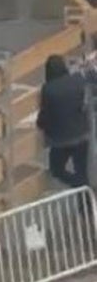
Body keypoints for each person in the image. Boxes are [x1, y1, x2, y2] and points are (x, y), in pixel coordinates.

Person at [37, 54, 89, 188]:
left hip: (60, 139)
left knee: (56, 169)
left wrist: (41, 124)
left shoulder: (48, 89)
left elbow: (45, 115)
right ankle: (85, 201)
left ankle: (79, 186)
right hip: (82, 135)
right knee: (82, 171)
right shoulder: (77, 80)